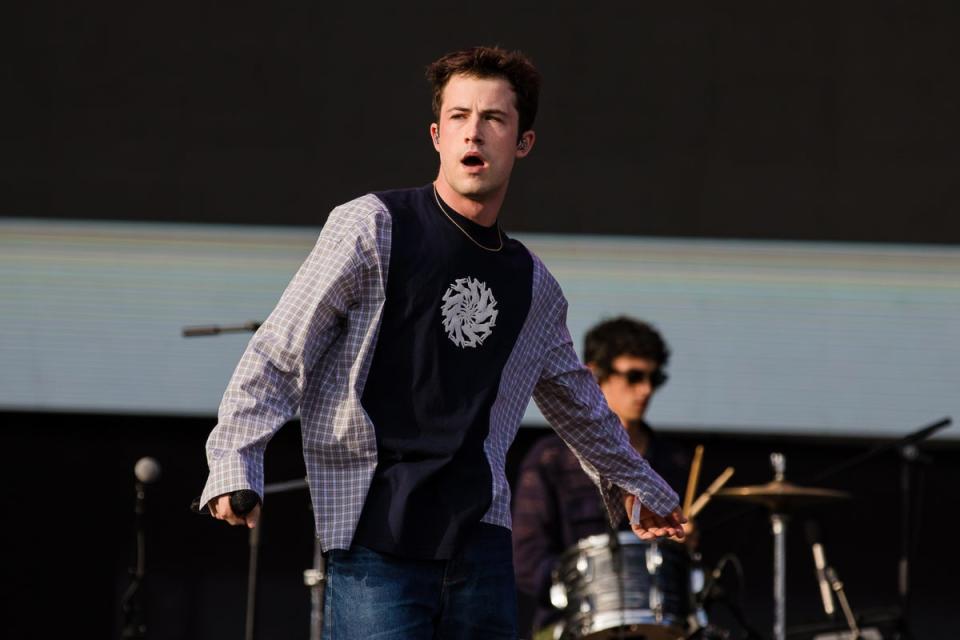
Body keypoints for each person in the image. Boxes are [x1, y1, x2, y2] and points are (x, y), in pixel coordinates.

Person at [198, 47, 686, 640]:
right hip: (377, 535)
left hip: (479, 544)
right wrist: (233, 459)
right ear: (436, 134)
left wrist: (642, 487)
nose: (473, 131)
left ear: (523, 142)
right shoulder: (373, 226)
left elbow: (579, 404)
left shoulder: (532, 285)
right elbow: (281, 348)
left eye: (494, 119)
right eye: (458, 116)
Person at [513, 316, 691, 635]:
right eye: (634, 376)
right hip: (569, 625)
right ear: (594, 374)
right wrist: (586, 588)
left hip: (654, 627)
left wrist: (684, 545)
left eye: (655, 378)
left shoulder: (671, 460)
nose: (646, 389)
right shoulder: (551, 459)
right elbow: (526, 557)